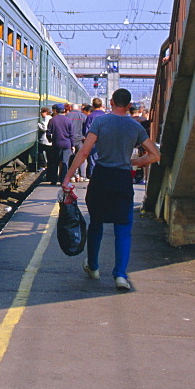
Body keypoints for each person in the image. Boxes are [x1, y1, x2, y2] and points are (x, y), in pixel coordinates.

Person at [62, 88, 160, 291]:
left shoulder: (100, 122)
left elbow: (85, 151)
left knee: (96, 224)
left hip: (101, 177)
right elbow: (155, 155)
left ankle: (94, 267)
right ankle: (121, 276)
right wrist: (133, 162)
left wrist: (68, 177)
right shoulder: (135, 127)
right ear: (129, 105)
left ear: (113, 102)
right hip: (122, 179)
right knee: (123, 228)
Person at [46, 104, 75, 185]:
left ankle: (54, 180)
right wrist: (72, 145)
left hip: (56, 144)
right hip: (67, 145)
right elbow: (71, 134)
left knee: (55, 162)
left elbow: (48, 133)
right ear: (64, 111)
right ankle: (63, 180)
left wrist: (50, 140)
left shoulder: (52, 120)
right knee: (65, 162)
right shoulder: (68, 120)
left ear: (56, 111)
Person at [85, 97, 106, 176]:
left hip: (93, 142)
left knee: (93, 160)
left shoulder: (90, 116)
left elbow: (86, 129)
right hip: (104, 141)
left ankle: (93, 176)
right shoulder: (106, 116)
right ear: (101, 105)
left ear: (93, 106)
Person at [38, 107, 52, 174]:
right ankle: (46, 165)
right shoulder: (50, 117)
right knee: (48, 154)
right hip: (48, 140)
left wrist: (38, 125)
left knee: (40, 151)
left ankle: (43, 165)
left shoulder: (47, 118)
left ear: (45, 112)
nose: (41, 114)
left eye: (41, 112)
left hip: (45, 140)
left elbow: (45, 128)